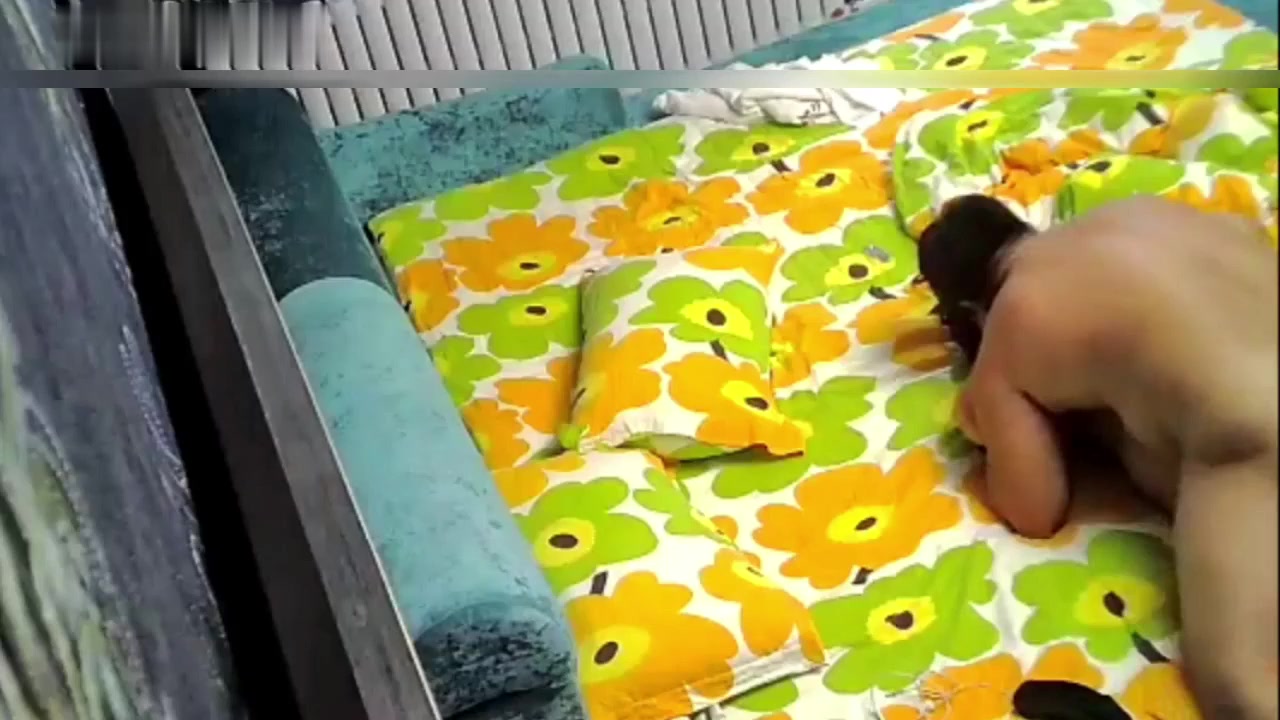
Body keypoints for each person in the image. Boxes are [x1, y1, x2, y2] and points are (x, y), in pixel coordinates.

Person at [956, 195, 1278, 720]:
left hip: (1248, 429)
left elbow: (1034, 509)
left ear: (973, 314)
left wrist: (982, 415)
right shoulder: (1143, 212)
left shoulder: (1014, 313)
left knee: (1240, 689)